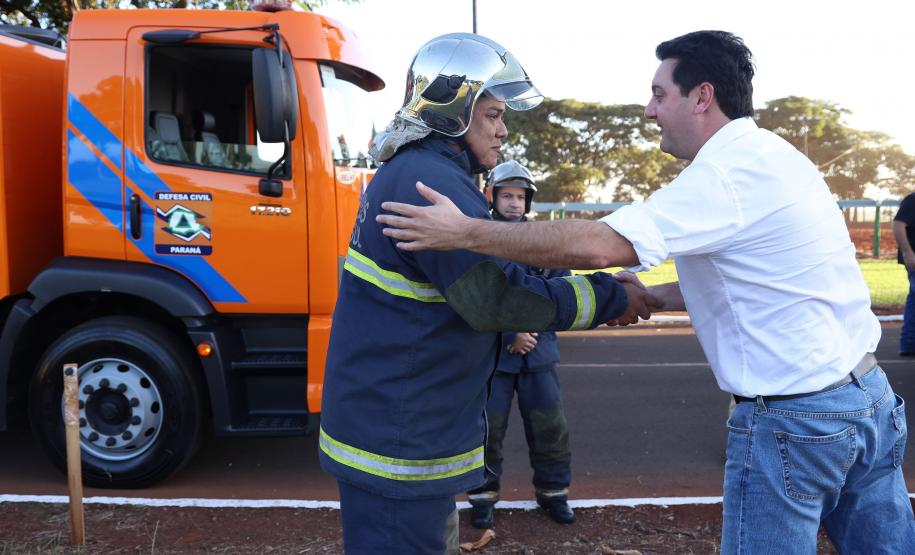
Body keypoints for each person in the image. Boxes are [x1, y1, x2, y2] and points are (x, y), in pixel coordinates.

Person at [377, 30, 915, 554]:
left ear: (702, 97)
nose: (649, 110)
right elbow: (753, 280)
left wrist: (465, 231)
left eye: (660, 94)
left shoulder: (724, 175)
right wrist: (652, 297)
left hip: (797, 422)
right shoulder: (776, 155)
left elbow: (600, 246)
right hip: (868, 400)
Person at [319, 33, 655, 555]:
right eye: (494, 115)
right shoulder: (431, 185)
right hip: (400, 440)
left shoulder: (413, 171)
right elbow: (498, 298)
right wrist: (611, 297)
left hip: (394, 425)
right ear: (454, 111)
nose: (503, 130)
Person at [467, 161, 575, 529]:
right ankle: (482, 498)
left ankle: (554, 494)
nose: (514, 203)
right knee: (488, 432)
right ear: (492, 197)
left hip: (538, 356)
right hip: (493, 361)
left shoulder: (544, 239)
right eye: (507, 196)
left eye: (520, 197)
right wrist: (509, 333)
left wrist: (529, 330)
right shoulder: (480, 240)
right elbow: (474, 298)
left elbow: (561, 291)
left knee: (550, 429)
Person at [893, 191, 915, 356]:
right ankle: (909, 342)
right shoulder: (913, 200)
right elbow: (898, 224)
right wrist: (908, 252)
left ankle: (909, 343)